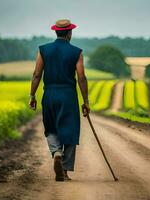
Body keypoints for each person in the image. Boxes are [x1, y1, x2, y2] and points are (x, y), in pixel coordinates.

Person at [29, 19, 90, 181]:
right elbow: (81, 77)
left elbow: (36, 75)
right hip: (68, 96)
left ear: (56, 32)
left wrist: (32, 95)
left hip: (49, 94)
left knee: (51, 126)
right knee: (70, 130)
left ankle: (56, 152)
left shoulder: (43, 50)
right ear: (70, 33)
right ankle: (64, 169)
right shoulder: (76, 52)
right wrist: (86, 101)